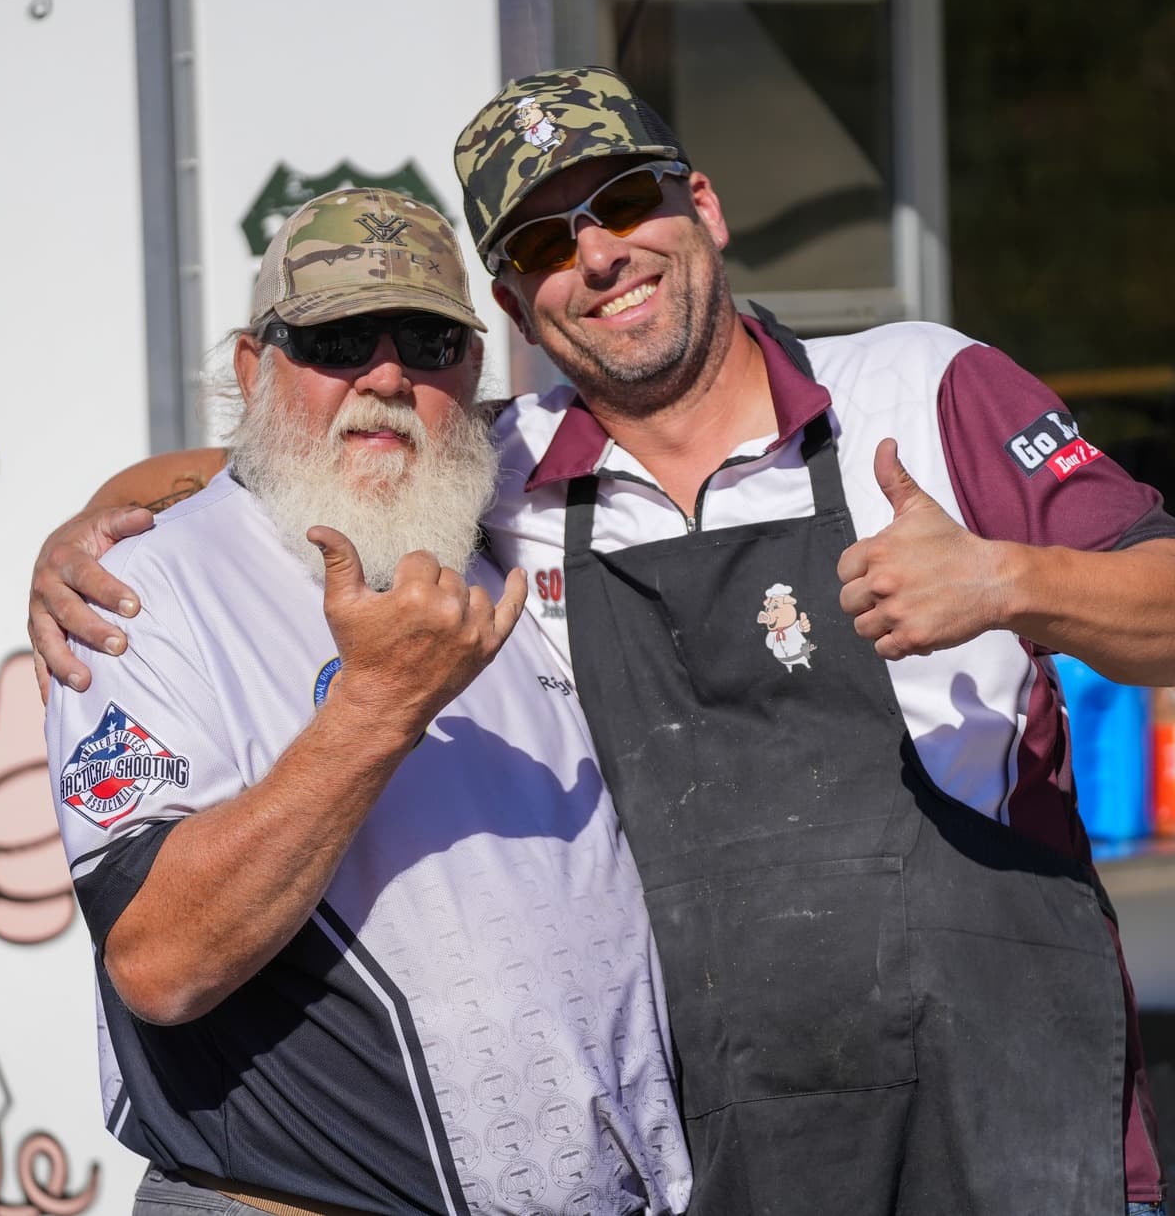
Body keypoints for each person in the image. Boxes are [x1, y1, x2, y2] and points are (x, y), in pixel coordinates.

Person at [32, 70, 1175, 1216]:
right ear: (516, 305)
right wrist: (92, 528)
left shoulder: (921, 390)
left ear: (701, 207)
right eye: (543, 245)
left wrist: (1003, 579)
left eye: (621, 202)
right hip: (751, 1163)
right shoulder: (504, 476)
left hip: (1010, 1126)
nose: (599, 254)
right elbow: (320, 445)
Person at [41, 188, 690, 1216]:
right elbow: (160, 962)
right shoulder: (145, 587)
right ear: (254, 368)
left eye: (428, 341)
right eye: (337, 338)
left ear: (472, 374)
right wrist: (376, 709)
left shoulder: (505, 533)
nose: (385, 376)